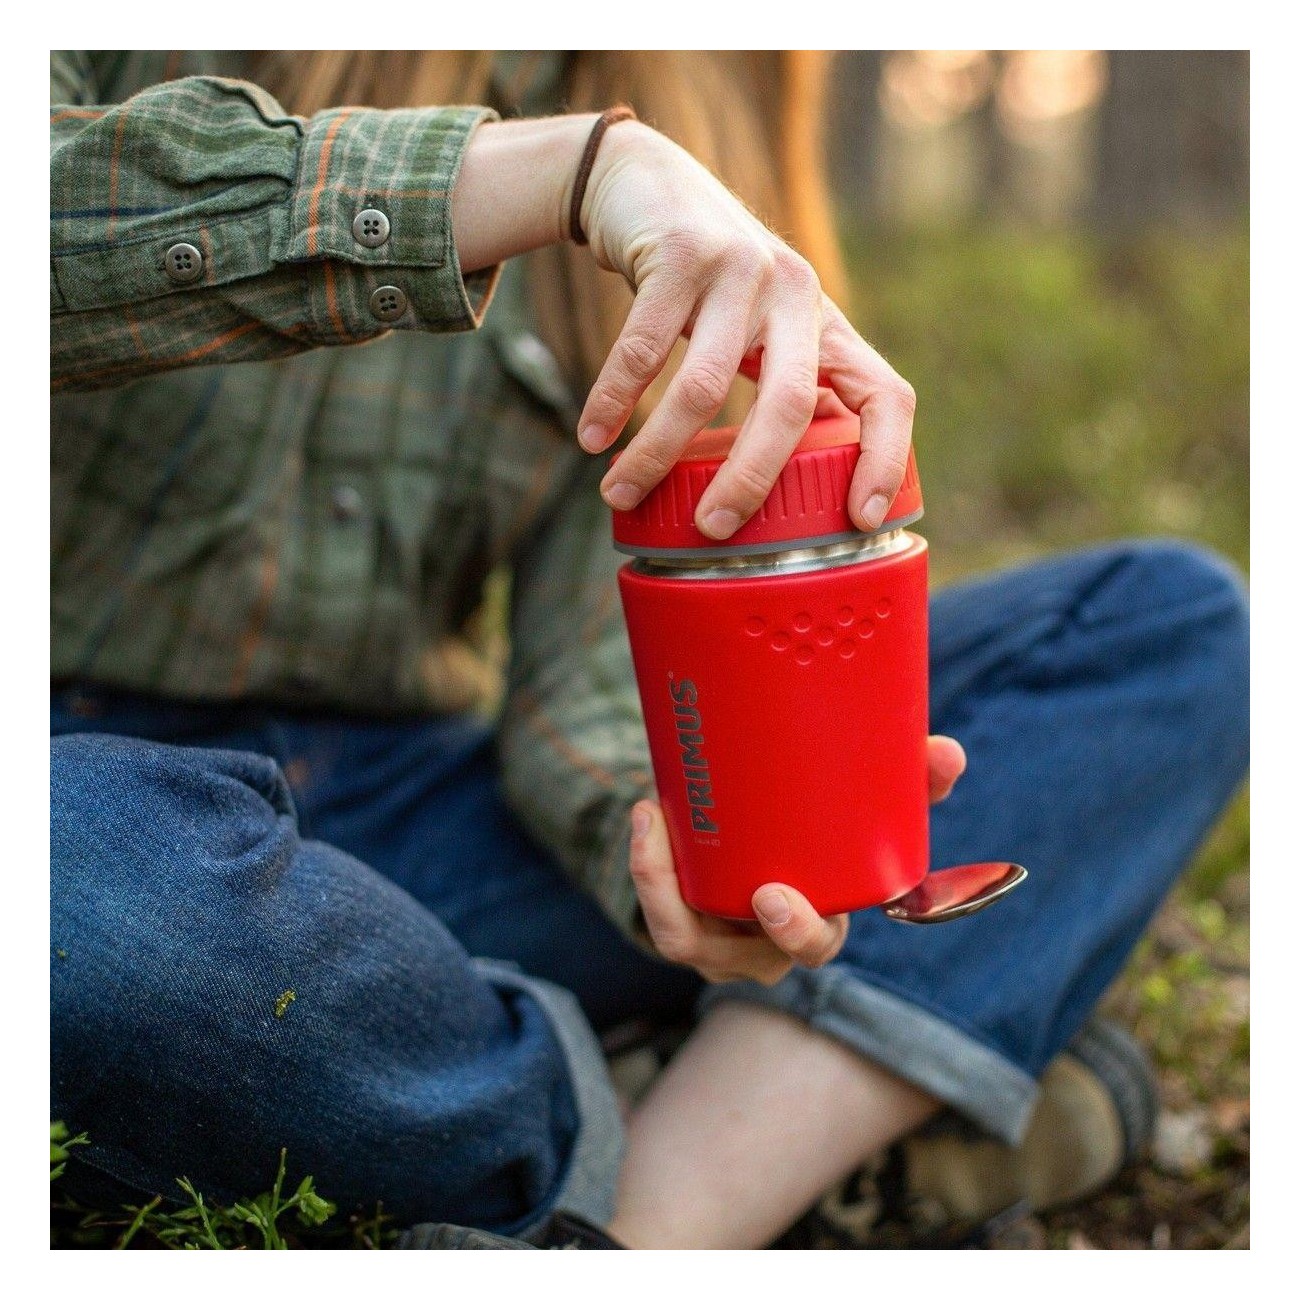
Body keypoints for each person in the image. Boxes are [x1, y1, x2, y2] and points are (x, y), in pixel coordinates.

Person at [50, 51, 1249, 1249]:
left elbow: (603, 654)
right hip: (87, 784)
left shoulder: (687, 94)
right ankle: (718, 1124)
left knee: (1166, 623)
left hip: (403, 836)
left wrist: (676, 833)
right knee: (71, 878)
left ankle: (633, 1216)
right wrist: (565, 175)